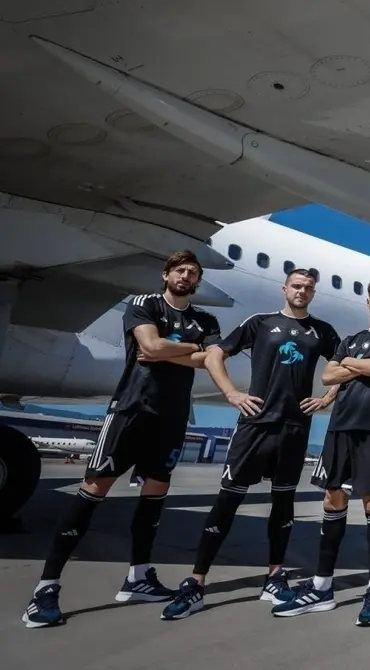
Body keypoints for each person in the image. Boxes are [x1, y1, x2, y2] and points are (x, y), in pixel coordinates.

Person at [22, 251, 222, 628]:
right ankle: (46, 588)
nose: (186, 276)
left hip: (172, 416)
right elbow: (150, 347)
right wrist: (191, 349)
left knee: (156, 491)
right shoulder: (144, 303)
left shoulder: (207, 320)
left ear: (198, 281)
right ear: (166, 274)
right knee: (95, 488)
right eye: (180, 270)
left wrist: (179, 350)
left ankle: (138, 578)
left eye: (193, 273)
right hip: (132, 410)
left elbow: (209, 360)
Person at [161, 268, 341, 621]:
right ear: (285, 288)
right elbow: (215, 354)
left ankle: (275, 577)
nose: (302, 291)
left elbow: (343, 367)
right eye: (297, 286)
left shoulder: (322, 331)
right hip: (254, 425)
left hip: (294, 428)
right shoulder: (260, 323)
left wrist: (326, 398)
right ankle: (196, 581)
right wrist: (232, 393)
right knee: (227, 501)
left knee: (283, 504)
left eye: (308, 288)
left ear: (313, 293)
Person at [269, 279, 370, 625]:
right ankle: (322, 587)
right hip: (339, 427)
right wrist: (359, 363)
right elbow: (328, 377)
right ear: (368, 301)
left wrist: (350, 364)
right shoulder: (351, 340)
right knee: (332, 500)